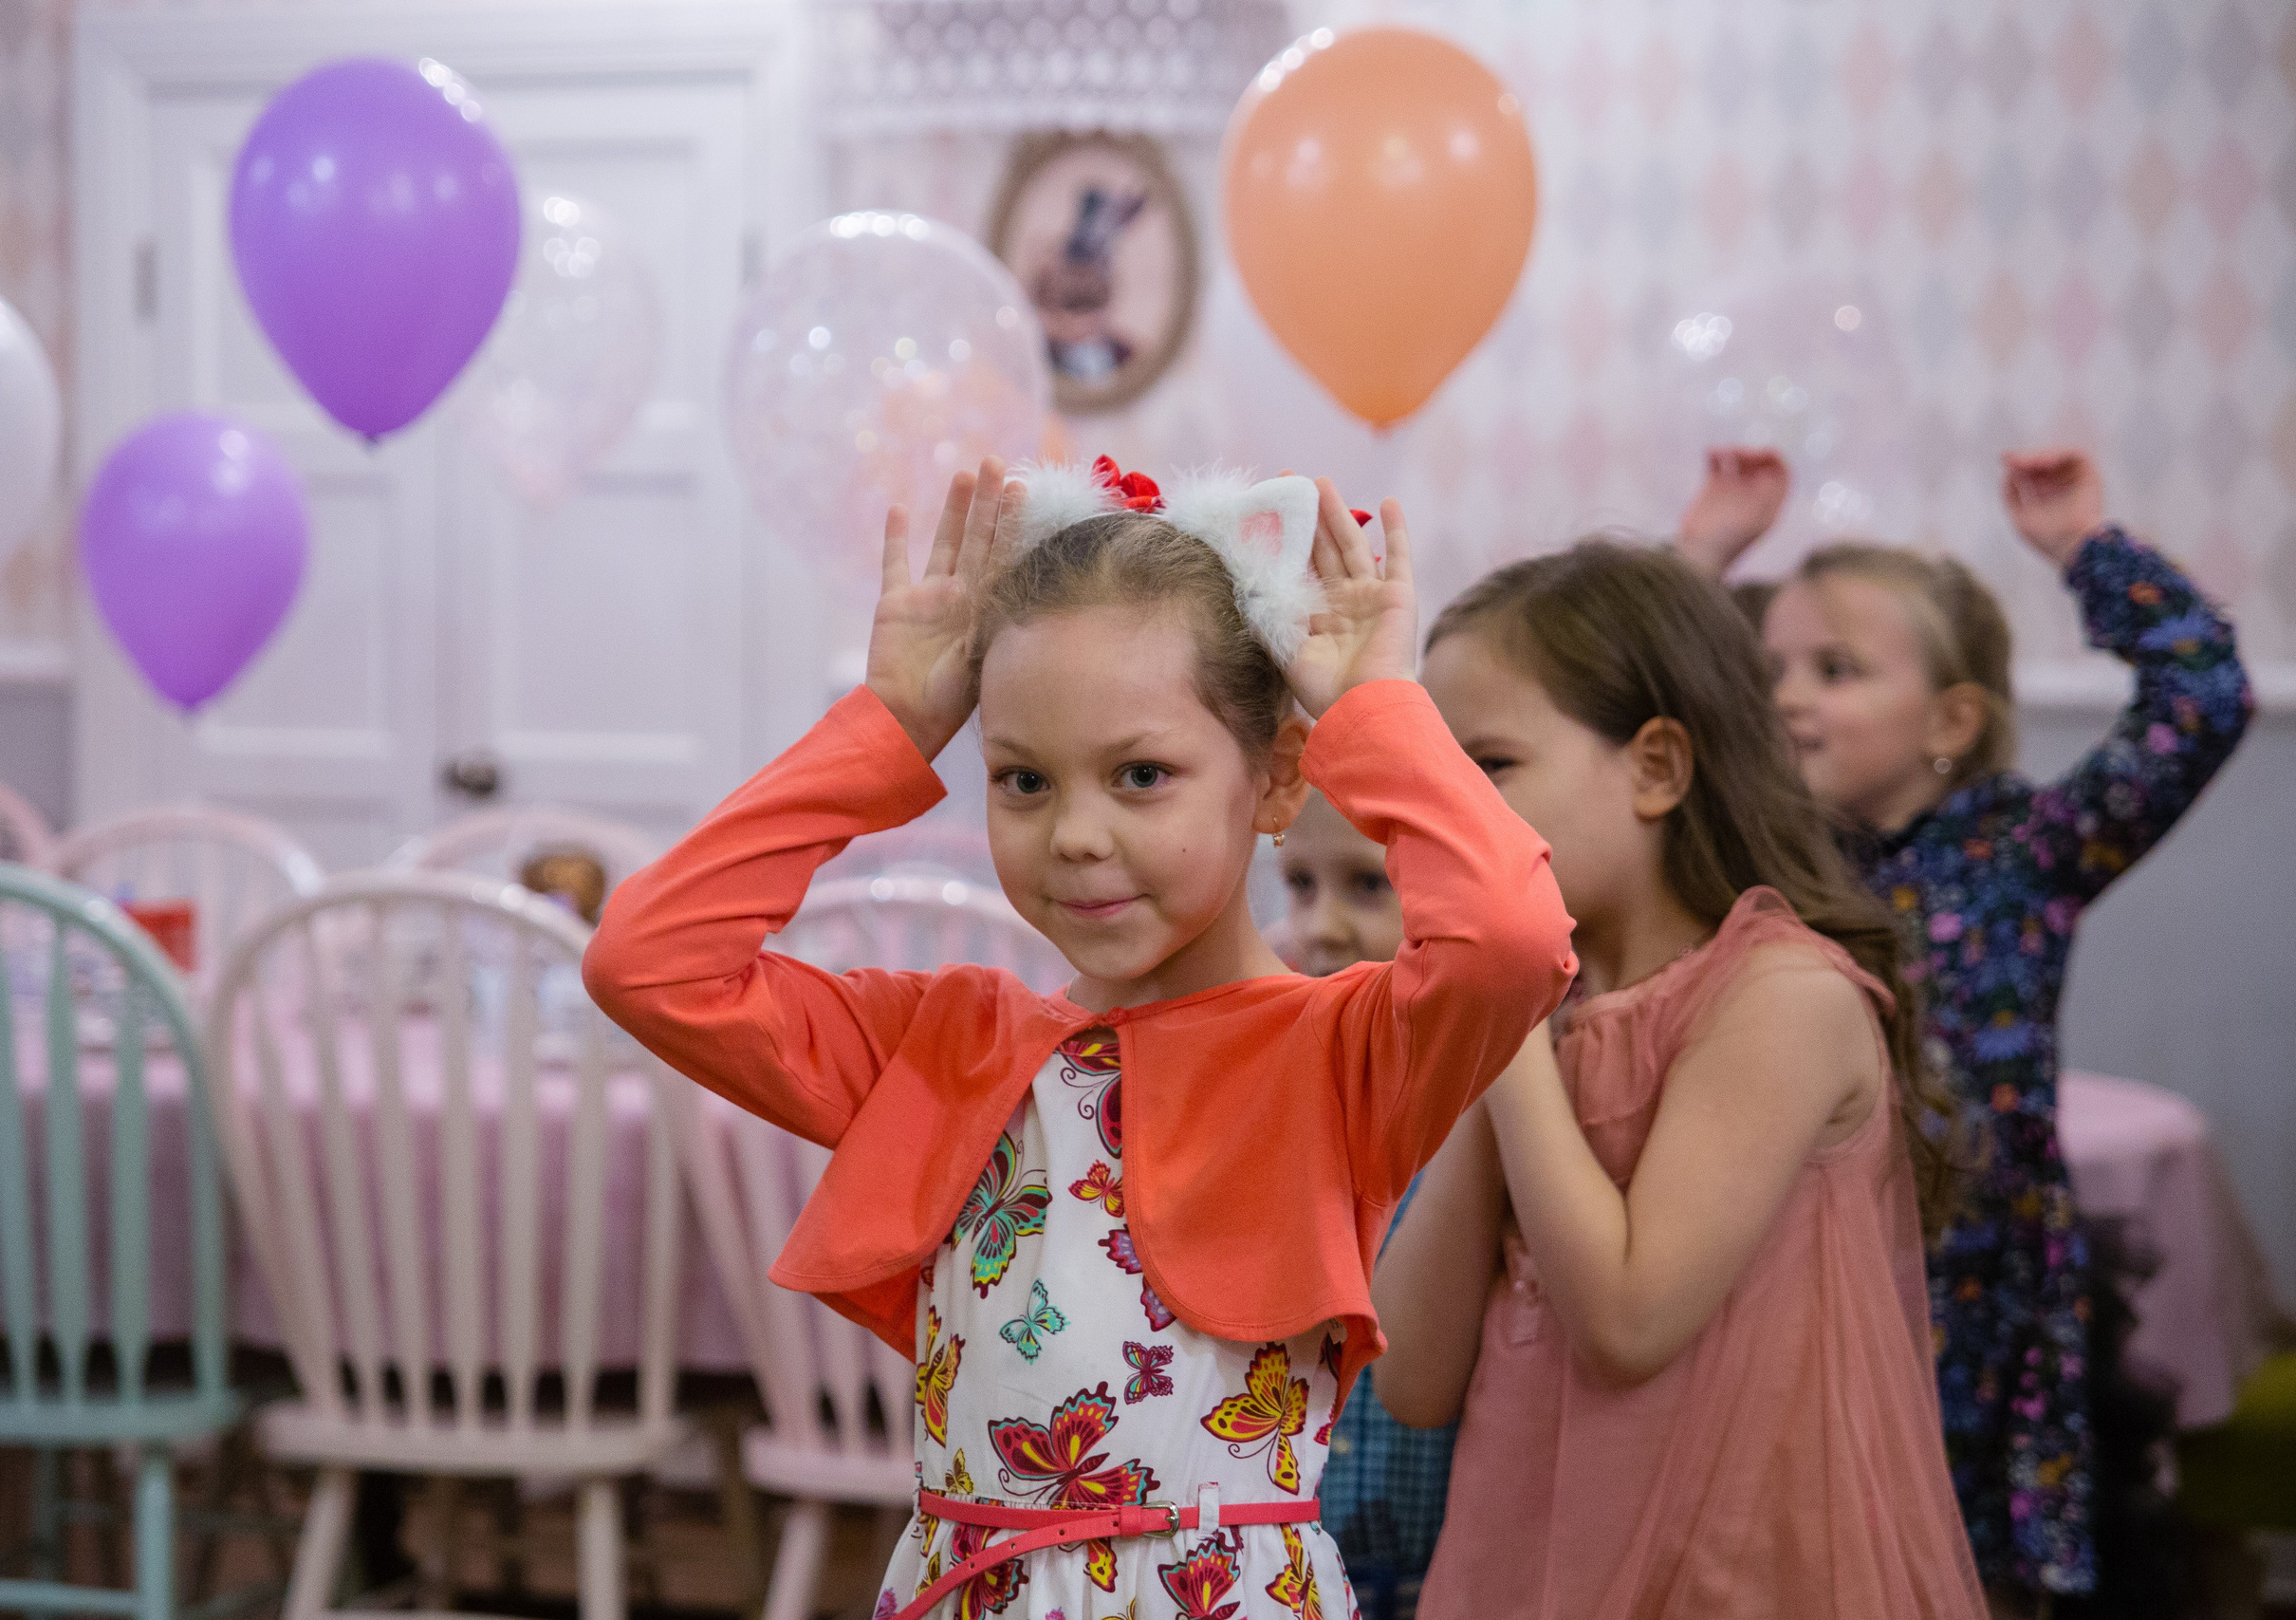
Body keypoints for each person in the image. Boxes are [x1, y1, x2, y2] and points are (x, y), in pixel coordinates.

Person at [583, 456, 1575, 1620]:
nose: (1076, 836)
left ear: (1272, 785)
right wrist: (886, 729)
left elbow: (1511, 940)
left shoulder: (1340, 1051)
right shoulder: (940, 1045)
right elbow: (645, 959)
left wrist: (1372, 715)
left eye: (1141, 775)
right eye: (1023, 780)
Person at [1374, 540, 1989, 1620]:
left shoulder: (1782, 999)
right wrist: (1495, 1015)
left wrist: (1507, 1033)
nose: (1451, 823)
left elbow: (1625, 1320)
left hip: (1733, 1571)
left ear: (1655, 767)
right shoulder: (1539, 1009)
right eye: (1440, 785)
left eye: (1493, 771)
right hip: (1532, 1561)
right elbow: (1412, 1376)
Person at [1695, 449, 2254, 1605]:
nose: (1786, 696)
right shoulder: (1758, 864)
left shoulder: (2028, 851)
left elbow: (2200, 695)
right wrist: (1701, 558)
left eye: (1834, 669)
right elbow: (1632, 720)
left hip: (1975, 1299)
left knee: (1966, 1564)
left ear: (1950, 718)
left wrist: (2082, 548)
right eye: (1771, 671)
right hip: (1788, 1276)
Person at [1278, 796, 1454, 1618]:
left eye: (1365, 888)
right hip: (1297, 1554)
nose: (1322, 926)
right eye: (1301, 885)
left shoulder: (1476, 1098)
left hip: (1435, 1558)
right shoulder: (1289, 1072)